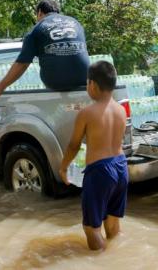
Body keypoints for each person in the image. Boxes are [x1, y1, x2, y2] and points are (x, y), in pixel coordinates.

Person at [59, 61, 128, 251]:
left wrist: (64, 167)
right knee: (113, 225)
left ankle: (101, 262)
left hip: (100, 171)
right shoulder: (121, 110)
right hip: (121, 166)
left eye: (87, 82)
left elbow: (74, 145)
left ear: (93, 85)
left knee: (91, 228)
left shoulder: (87, 113)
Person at [0, 0, 90, 101]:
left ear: (40, 12)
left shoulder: (36, 29)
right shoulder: (76, 23)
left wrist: (1, 86)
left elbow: (22, 64)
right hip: (87, 83)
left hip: (57, 88)